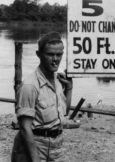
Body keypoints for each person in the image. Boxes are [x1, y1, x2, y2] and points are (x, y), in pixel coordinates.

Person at [11, 32, 73, 162]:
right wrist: (35, 159)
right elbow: (24, 127)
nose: (55, 59)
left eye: (59, 54)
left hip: (56, 146)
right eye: (50, 54)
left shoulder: (57, 80)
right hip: (35, 146)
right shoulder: (30, 86)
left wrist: (69, 88)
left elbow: (64, 113)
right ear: (39, 55)